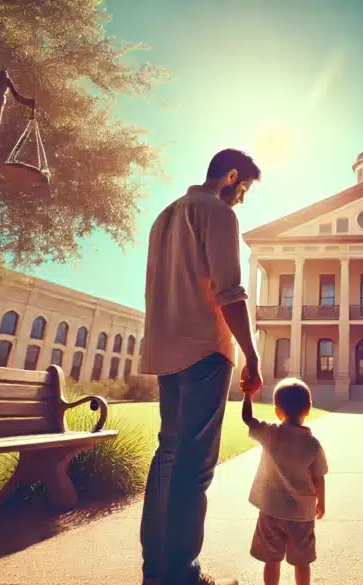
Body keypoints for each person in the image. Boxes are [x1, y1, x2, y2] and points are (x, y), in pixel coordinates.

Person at [139, 148, 265, 585]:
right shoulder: (218, 213)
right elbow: (230, 291)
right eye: (244, 188)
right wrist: (250, 353)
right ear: (231, 176)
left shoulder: (164, 217)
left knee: (168, 455)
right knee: (194, 467)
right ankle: (183, 574)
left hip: (164, 350)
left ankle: (156, 570)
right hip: (205, 352)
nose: (242, 199)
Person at [241, 378, 328, 585]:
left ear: (277, 411)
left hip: (271, 510)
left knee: (272, 560)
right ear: (308, 409)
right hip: (302, 515)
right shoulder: (313, 445)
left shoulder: (271, 434)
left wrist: (247, 395)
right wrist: (321, 502)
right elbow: (319, 477)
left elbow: (248, 419)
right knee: (302, 562)